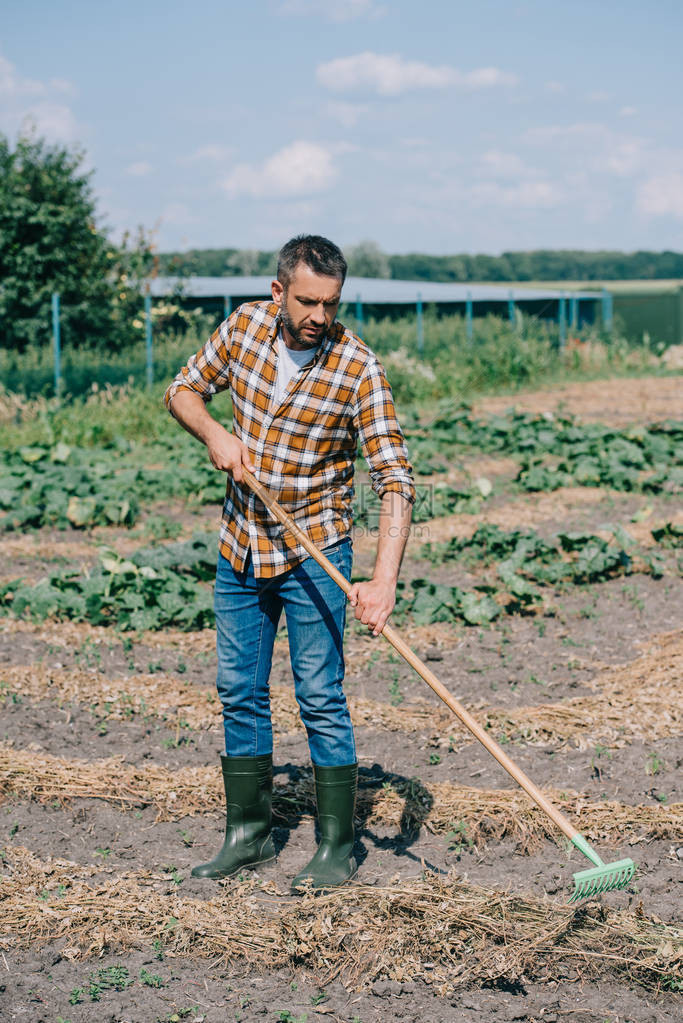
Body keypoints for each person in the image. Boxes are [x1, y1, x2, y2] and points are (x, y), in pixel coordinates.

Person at [163, 234, 415, 891]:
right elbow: (183, 390)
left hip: (315, 555)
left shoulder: (355, 366)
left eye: (330, 303)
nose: (319, 316)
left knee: (320, 696)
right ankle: (247, 834)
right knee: (238, 689)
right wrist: (215, 432)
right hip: (241, 548)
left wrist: (381, 580)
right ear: (278, 290)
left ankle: (336, 845)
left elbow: (395, 479)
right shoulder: (243, 326)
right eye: (306, 301)